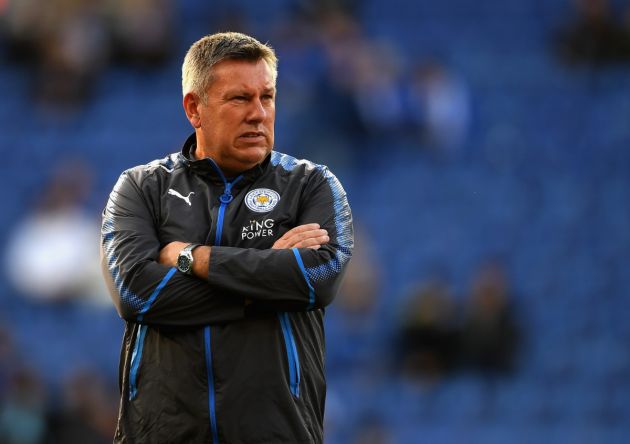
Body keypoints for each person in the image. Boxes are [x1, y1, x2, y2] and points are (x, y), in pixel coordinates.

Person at [100, 32, 354, 444]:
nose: (258, 114)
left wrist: (191, 258)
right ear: (194, 108)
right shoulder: (140, 187)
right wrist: (268, 278)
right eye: (239, 99)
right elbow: (136, 294)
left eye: (267, 97)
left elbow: (316, 278)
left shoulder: (311, 184)